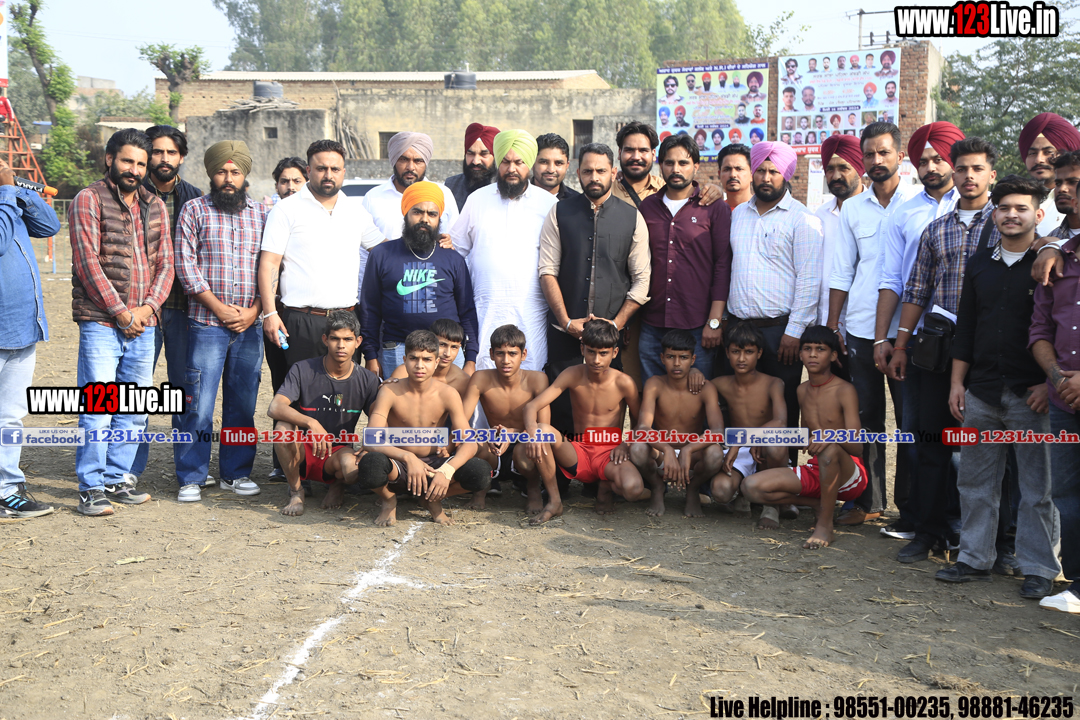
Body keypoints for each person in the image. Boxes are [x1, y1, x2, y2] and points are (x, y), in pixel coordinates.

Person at [937, 174, 1059, 599]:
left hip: (1033, 395)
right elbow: (967, 328)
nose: (1011, 215)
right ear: (994, 214)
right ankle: (974, 558)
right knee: (974, 482)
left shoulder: (1051, 264)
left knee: (1037, 488)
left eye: (1021, 208)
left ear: (1038, 215)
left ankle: (1038, 568)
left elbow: (1060, 328)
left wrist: (1049, 384)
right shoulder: (979, 265)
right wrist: (958, 384)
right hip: (982, 391)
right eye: (1004, 208)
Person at [893, 137, 1000, 563]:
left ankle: (996, 544)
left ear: (991, 174)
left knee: (991, 449)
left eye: (977, 169)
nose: (969, 176)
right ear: (954, 174)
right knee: (931, 442)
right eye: (963, 169)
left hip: (991, 350)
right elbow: (916, 290)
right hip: (937, 349)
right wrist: (901, 345)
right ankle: (928, 532)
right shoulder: (936, 229)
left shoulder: (1008, 222)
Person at [69, 128, 172, 516]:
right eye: (128, 161)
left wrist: (145, 310)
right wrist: (121, 313)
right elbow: (87, 264)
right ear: (110, 159)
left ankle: (117, 478)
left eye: (141, 164)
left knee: (133, 408)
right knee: (98, 408)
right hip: (101, 322)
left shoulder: (154, 205)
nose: (135, 169)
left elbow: (166, 265)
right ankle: (91, 487)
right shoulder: (89, 199)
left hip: (144, 324)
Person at [875, 121, 964, 541]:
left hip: (969, 337)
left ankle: (962, 524)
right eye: (923, 160)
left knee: (965, 437)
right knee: (915, 430)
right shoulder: (905, 212)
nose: (931, 167)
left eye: (939, 158)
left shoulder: (981, 209)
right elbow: (893, 279)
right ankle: (916, 518)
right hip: (918, 338)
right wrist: (886, 339)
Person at [827, 123, 917, 526]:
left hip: (909, 331)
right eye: (869, 154)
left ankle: (911, 509)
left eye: (884, 152)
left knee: (911, 420)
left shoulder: (919, 204)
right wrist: (834, 325)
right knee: (866, 418)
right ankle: (869, 500)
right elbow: (842, 270)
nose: (876, 160)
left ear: (900, 155)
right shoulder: (853, 209)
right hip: (861, 328)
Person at [173, 140, 268, 502]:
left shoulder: (263, 215)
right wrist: (218, 307)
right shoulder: (194, 210)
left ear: (245, 175)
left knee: (242, 402)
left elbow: (271, 268)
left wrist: (255, 310)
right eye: (221, 171)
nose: (228, 178)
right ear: (210, 174)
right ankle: (191, 476)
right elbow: (185, 265)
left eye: (235, 172)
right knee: (198, 403)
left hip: (249, 326)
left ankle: (236, 473)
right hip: (206, 323)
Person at [538, 143, 650, 434]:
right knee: (562, 406)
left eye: (601, 170)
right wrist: (566, 321)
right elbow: (547, 271)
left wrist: (615, 325)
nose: (594, 177)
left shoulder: (632, 217)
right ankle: (564, 462)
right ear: (578, 173)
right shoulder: (560, 212)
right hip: (565, 332)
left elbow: (641, 280)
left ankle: (603, 461)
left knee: (605, 409)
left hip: (609, 338)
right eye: (587, 171)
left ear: (613, 172)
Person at [727, 141, 823, 465]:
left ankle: (784, 477)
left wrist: (794, 332)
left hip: (781, 331)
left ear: (786, 175)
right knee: (742, 403)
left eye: (774, 171)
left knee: (784, 404)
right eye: (761, 171)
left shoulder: (803, 219)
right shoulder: (738, 215)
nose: (766, 178)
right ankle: (739, 475)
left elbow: (809, 279)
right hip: (739, 328)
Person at [259, 140, 385, 368]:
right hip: (301, 322)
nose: (328, 175)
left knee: (345, 389)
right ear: (309, 171)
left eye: (335, 169)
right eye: (321, 168)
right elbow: (269, 263)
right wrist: (269, 314)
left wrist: (431, 244)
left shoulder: (355, 211)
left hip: (347, 321)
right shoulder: (286, 209)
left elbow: (384, 250)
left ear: (343, 172)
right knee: (300, 389)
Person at [741, 326, 866, 549]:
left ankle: (825, 525)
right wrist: (763, 437)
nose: (813, 354)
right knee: (750, 487)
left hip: (849, 475)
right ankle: (817, 504)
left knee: (828, 448)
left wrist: (830, 435)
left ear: (833, 356)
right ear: (800, 354)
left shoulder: (844, 390)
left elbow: (857, 447)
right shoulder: (802, 390)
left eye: (820, 349)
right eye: (807, 349)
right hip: (817, 469)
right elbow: (804, 439)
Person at [356, 330, 491, 526]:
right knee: (370, 464)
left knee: (480, 472)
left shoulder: (448, 393)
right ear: (405, 360)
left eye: (427, 359)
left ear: (436, 362)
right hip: (399, 465)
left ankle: (432, 498)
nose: (420, 365)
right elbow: (370, 439)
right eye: (414, 358)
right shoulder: (389, 391)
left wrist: (447, 470)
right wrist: (408, 457)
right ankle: (389, 500)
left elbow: (469, 442)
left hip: (434, 465)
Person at [129, 125, 202, 481]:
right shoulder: (130, 193)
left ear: (181, 157)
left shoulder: (195, 197)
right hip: (142, 310)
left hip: (184, 309)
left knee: (184, 392)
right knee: (135, 391)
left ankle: (189, 470)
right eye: (157, 152)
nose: (163, 158)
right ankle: (128, 468)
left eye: (171, 152)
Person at [452, 130, 556, 372]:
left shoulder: (549, 204)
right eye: (506, 162)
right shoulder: (477, 199)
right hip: (485, 308)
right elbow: (456, 251)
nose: (512, 169)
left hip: (531, 310)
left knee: (531, 371)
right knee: (483, 370)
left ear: (529, 165)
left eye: (519, 162)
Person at [524, 320, 645, 515]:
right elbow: (532, 406)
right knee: (541, 430)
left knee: (633, 489)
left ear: (614, 353)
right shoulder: (572, 374)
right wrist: (532, 433)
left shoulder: (624, 383)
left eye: (603, 353)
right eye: (591, 352)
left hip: (610, 454)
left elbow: (641, 423)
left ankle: (605, 487)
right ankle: (555, 501)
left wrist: (626, 444)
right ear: (582, 349)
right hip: (578, 450)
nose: (596, 360)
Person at [638, 134, 732, 382]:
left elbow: (723, 265)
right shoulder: (647, 207)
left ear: (696, 166)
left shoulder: (713, 207)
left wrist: (714, 321)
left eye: (683, 163)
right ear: (660, 165)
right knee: (653, 393)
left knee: (697, 395)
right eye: (669, 163)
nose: (676, 169)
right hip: (652, 322)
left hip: (698, 324)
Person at [268, 311, 381, 516]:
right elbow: (275, 407)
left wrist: (368, 447)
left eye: (347, 339)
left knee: (354, 469)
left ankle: (338, 485)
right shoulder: (302, 369)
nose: (341, 345)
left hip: (338, 452)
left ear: (358, 342)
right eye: (335, 339)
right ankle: (296, 491)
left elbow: (379, 419)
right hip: (302, 449)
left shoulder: (367, 379)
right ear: (325, 340)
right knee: (282, 430)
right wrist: (311, 423)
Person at [361, 181, 478, 378]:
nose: (424, 219)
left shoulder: (453, 258)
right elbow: (370, 309)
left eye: (432, 214)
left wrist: (471, 358)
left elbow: (467, 311)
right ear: (405, 213)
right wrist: (371, 355)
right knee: (398, 399)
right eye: (417, 212)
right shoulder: (382, 254)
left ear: (439, 218)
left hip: (446, 352)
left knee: (449, 399)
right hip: (398, 350)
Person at [1029, 161, 1080, 615]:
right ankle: (1077, 584)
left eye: (1073, 182)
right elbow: (1040, 329)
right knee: (1065, 491)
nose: (1062, 189)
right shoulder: (1057, 255)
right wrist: (1060, 378)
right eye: (1058, 182)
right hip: (1064, 395)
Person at [0, 162, 61, 518]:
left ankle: (7, 490)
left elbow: (50, 226)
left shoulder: (8, 198)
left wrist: (20, 190)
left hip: (21, 328)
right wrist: (8, 190)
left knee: (9, 417)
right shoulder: (4, 199)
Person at [460, 324, 555, 519]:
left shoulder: (538, 380)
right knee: (472, 442)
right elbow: (461, 421)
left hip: (523, 444)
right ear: (491, 354)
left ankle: (533, 488)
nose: (506, 360)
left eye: (512, 354)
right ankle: (481, 490)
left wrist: (513, 433)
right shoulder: (481, 378)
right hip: (494, 445)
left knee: (535, 442)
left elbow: (543, 427)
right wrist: (485, 435)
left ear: (523, 354)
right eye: (500, 353)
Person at [630, 329, 726, 517]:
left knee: (715, 453)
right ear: (662, 358)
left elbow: (718, 431)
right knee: (637, 449)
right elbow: (643, 428)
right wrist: (666, 449)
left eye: (683, 357)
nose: (676, 363)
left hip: (693, 455)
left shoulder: (706, 388)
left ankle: (693, 489)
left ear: (693, 359)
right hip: (661, 453)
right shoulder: (655, 384)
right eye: (670, 357)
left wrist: (688, 449)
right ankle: (657, 487)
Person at [711, 322, 789, 524]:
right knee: (720, 491)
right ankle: (743, 493)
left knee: (775, 445)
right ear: (727, 353)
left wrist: (749, 438)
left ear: (759, 353)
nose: (742, 358)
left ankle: (772, 505)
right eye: (736, 352)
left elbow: (780, 422)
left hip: (765, 446)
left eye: (749, 352)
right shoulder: (720, 383)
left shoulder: (773, 383)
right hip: (740, 450)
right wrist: (694, 374)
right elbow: (697, 388)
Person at [815, 135, 864, 332]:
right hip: (823, 321)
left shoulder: (877, 212)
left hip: (863, 323)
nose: (835, 176)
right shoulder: (819, 215)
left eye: (844, 168)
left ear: (860, 168)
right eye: (830, 169)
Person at [1017, 113, 1080, 236]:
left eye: (1048, 152)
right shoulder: (1012, 201)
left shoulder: (1067, 202)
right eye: (1032, 153)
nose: (1039, 160)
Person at [390, 319, 472, 395]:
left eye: (454, 347)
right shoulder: (403, 373)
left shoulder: (463, 381)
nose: (447, 353)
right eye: (442, 345)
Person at [445, 123, 500, 212]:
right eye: (470, 154)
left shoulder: (505, 189)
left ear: (496, 157)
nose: (476, 161)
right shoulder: (450, 186)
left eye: (484, 154)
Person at [532, 133, 580, 199]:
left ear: (567, 165)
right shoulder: (517, 199)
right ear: (532, 163)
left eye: (558, 163)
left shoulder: (578, 202)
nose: (551, 170)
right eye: (544, 162)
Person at [718, 144, 752, 209]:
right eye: (727, 169)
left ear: (752, 174)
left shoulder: (765, 210)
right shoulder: (714, 212)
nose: (732, 175)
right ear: (719, 175)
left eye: (739, 169)